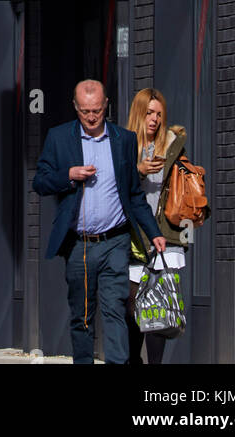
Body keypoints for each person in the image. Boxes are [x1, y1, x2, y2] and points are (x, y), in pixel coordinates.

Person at [32, 79, 166, 365]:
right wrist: (68, 174)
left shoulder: (124, 140)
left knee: (115, 308)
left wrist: (153, 232)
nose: (91, 117)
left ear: (106, 105)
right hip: (78, 245)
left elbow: (133, 194)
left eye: (96, 110)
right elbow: (40, 182)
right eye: (84, 111)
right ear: (75, 107)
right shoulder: (59, 138)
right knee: (82, 316)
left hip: (115, 241)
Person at [125, 87, 189, 365]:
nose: (154, 119)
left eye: (159, 114)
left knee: (158, 308)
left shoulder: (173, 145)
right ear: (138, 114)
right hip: (133, 237)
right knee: (131, 306)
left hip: (165, 235)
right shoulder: (124, 145)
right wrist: (137, 170)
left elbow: (186, 186)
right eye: (149, 113)